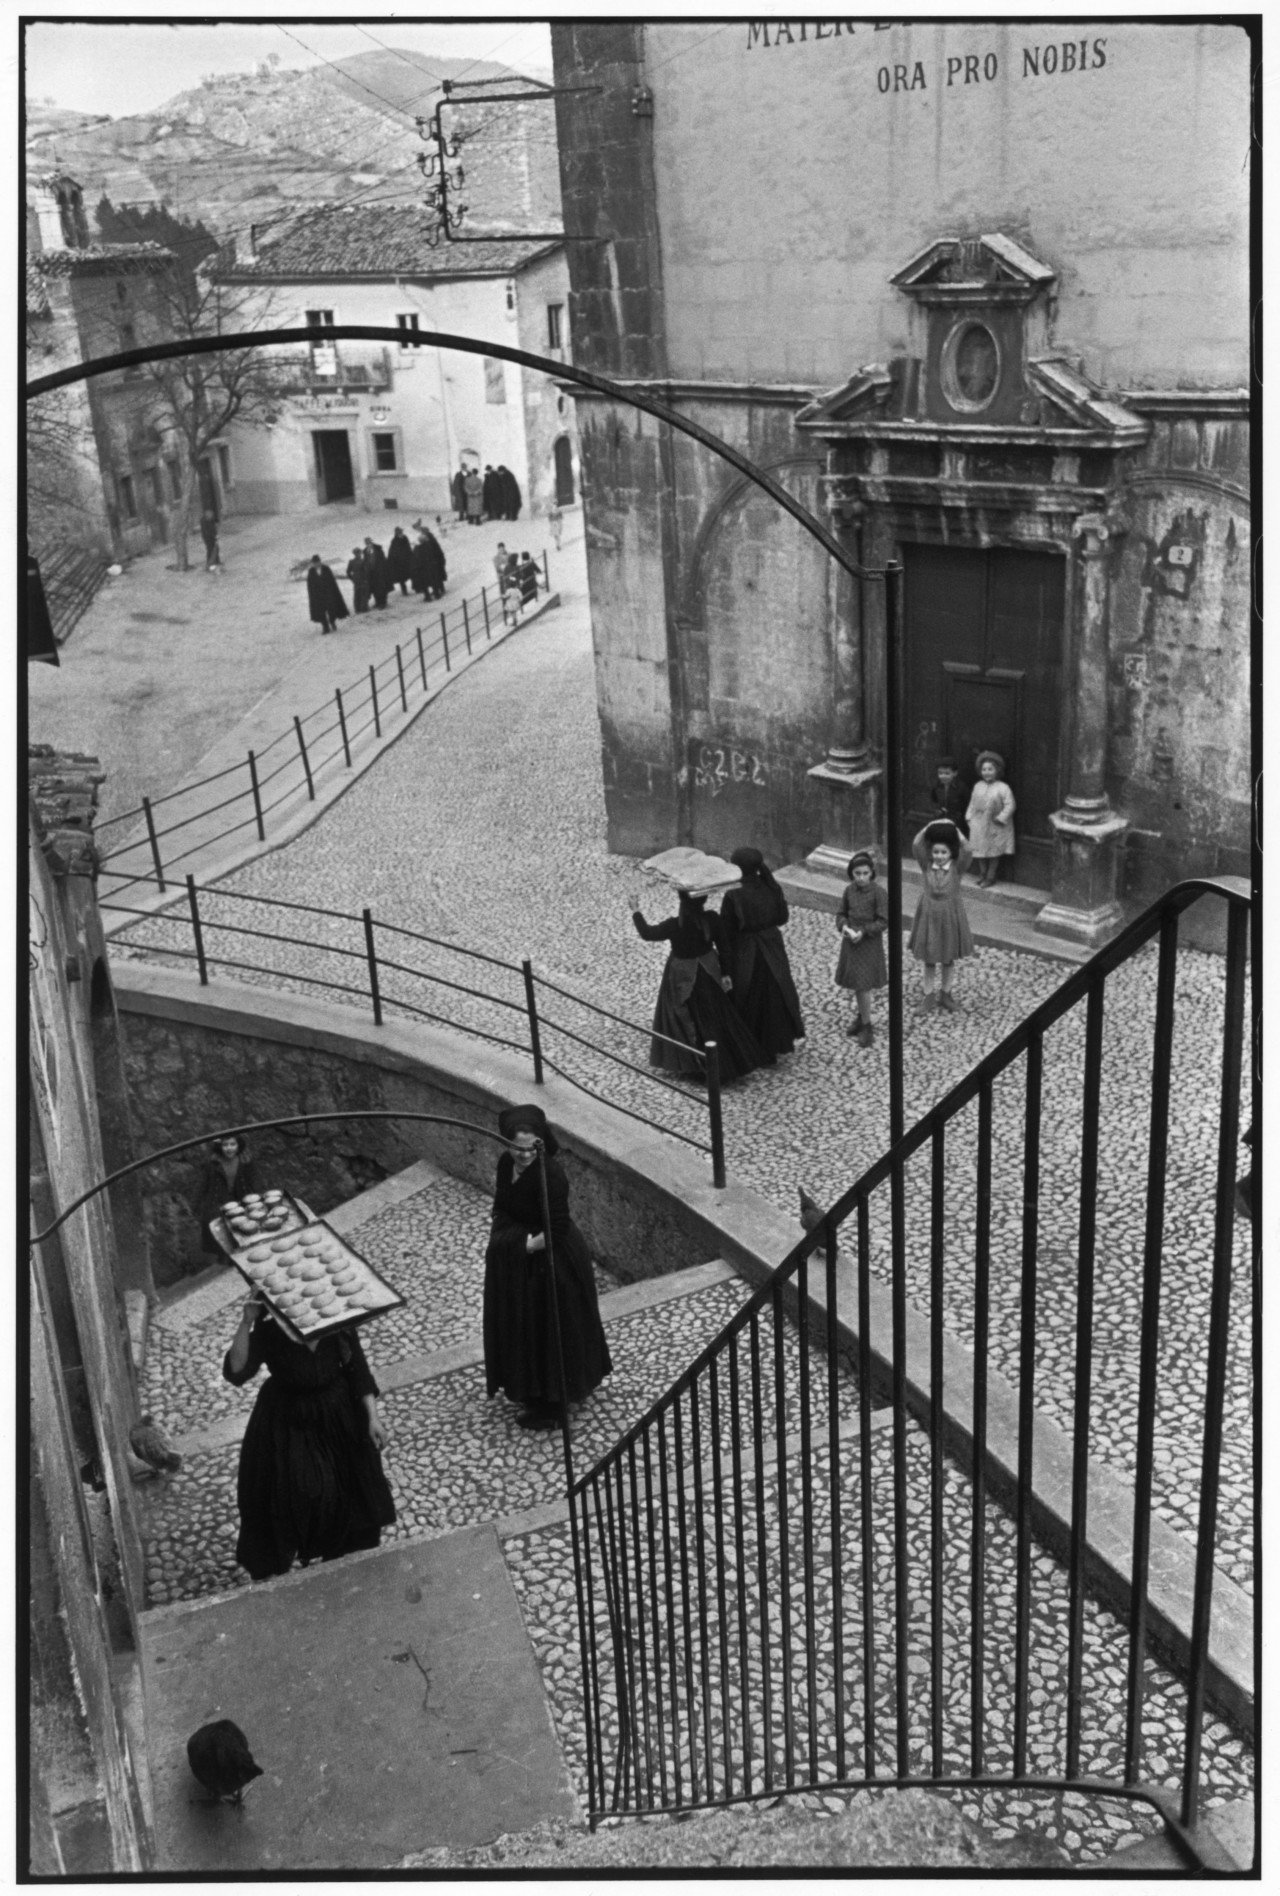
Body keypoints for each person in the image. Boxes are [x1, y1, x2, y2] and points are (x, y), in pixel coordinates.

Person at [223, 1294, 395, 1580]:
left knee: (350, 1488)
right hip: (289, 1418)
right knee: (298, 1490)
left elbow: (358, 1372)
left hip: (337, 1414)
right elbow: (237, 1370)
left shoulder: (336, 1325)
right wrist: (246, 1322)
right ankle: (290, 1551)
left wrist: (373, 1418)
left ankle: (341, 1553)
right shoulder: (270, 1332)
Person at [483, 1104, 612, 1430]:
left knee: (549, 1327)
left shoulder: (550, 1175)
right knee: (524, 1325)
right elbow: (501, 1204)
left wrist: (521, 1246)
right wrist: (508, 1240)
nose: (523, 1154)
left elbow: (556, 1228)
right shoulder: (505, 1164)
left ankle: (553, 1404)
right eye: (516, 1147)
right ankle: (532, 1388)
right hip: (524, 1255)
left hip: (552, 1260)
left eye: (531, 1147)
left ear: (541, 1143)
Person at [631, 884, 763, 1082]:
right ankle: (730, 1061)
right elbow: (724, 947)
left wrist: (636, 910)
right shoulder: (712, 919)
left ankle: (696, 1062)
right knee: (718, 1014)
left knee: (687, 1016)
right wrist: (726, 973)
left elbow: (648, 933)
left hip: (683, 976)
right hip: (708, 972)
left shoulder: (676, 925)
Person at [718, 845, 805, 1062]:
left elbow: (726, 933)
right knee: (774, 995)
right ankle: (773, 1045)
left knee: (749, 997)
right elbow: (782, 918)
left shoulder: (733, 895)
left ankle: (751, 1046)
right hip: (772, 948)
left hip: (747, 952)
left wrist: (725, 967)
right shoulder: (771, 887)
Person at [908, 820, 974, 1013]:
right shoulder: (926, 865)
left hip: (949, 915)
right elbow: (916, 845)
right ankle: (928, 996)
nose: (939, 856)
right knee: (929, 958)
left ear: (951, 853)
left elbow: (968, 850)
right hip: (929, 915)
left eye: (943, 852)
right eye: (936, 852)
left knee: (947, 957)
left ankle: (946, 994)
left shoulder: (956, 868)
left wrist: (955, 831)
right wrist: (930, 826)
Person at [834, 851, 890, 1047]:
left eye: (865, 873)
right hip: (851, 942)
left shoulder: (879, 893)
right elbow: (840, 914)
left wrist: (864, 932)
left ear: (871, 873)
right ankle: (862, 1017)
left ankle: (867, 1026)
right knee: (858, 984)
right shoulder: (849, 891)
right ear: (852, 874)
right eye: (857, 873)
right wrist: (845, 927)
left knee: (863, 985)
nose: (861, 877)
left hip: (868, 944)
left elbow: (884, 921)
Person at [194, 1133, 262, 1258]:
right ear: (220, 1146)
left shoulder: (245, 1161)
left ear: (238, 1145)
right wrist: (196, 1205)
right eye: (225, 1145)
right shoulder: (213, 1164)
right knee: (221, 1231)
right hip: (219, 1200)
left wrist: (257, 1198)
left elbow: (254, 1181)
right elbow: (203, 1184)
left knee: (243, 1227)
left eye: (232, 1144)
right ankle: (226, 1257)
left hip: (240, 1198)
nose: (229, 1148)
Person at [965, 751, 1016, 887]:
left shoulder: (1003, 787)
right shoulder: (978, 786)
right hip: (979, 824)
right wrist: (969, 818)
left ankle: (991, 875)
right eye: (984, 769)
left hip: (996, 825)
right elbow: (972, 803)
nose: (987, 772)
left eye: (990, 769)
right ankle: (982, 873)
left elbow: (1010, 805)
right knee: (980, 850)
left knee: (994, 850)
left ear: (997, 770)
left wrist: (1001, 818)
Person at [305, 554, 348, 634]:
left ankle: (332, 621)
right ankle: (325, 627)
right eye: (314, 563)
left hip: (328, 594)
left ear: (320, 561)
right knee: (320, 612)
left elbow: (332, 581)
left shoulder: (326, 569)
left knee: (331, 609)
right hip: (318, 596)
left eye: (317, 562)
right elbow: (310, 584)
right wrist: (313, 594)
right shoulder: (311, 571)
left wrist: (332, 592)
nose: (316, 564)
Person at [929, 756, 970, 837]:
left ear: (955, 773)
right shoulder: (937, 786)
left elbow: (967, 803)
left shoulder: (961, 787)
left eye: (947, 773)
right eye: (940, 773)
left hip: (957, 820)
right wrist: (938, 809)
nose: (943, 776)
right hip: (940, 819)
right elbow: (934, 799)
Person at [410, 527, 446, 600]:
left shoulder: (417, 548)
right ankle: (437, 594)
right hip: (431, 567)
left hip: (423, 569)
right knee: (433, 580)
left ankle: (428, 596)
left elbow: (416, 559)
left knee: (425, 583)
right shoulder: (428, 546)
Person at [386, 525, 413, 597]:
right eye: (399, 532)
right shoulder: (394, 541)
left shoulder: (405, 538)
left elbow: (408, 547)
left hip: (407, 560)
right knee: (401, 578)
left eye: (401, 531)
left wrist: (410, 555)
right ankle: (404, 591)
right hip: (399, 563)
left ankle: (418, 587)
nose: (401, 533)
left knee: (413, 573)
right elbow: (392, 551)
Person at [364, 537, 390, 610]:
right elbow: (366, 561)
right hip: (371, 573)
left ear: (371, 542)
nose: (368, 543)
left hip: (379, 571)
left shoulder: (378, 549)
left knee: (381, 587)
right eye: (366, 542)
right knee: (374, 588)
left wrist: (384, 569)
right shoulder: (365, 551)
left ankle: (383, 603)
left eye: (369, 542)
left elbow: (383, 559)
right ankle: (378, 602)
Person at [346, 546, 370, 614]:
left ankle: (358, 608)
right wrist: (365, 579)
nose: (358, 554)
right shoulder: (362, 561)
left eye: (359, 553)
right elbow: (366, 571)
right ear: (355, 554)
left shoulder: (352, 561)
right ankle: (363, 608)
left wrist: (352, 578)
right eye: (357, 553)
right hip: (362, 580)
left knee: (358, 594)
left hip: (357, 580)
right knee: (362, 594)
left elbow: (348, 572)